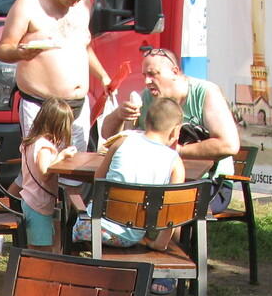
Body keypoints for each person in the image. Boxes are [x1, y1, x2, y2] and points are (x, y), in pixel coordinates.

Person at [100, 47, 240, 207]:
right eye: (145, 75)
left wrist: (175, 151)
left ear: (174, 72)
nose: (147, 81)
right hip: (157, 181)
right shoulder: (146, 97)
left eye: (153, 74)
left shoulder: (206, 94)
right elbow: (108, 135)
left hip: (208, 183)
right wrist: (119, 114)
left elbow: (229, 145)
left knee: (163, 210)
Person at [0, 0, 111, 149]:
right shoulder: (28, 3)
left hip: (77, 107)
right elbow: (3, 49)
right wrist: (20, 53)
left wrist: (103, 76)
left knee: (77, 166)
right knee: (40, 165)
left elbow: (84, 45)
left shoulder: (84, 5)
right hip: (40, 106)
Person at [75, 95, 188, 261]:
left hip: (89, 228)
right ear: (176, 130)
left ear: (145, 121)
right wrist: (160, 244)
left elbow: (99, 180)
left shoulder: (121, 142)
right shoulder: (175, 162)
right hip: (127, 237)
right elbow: (172, 211)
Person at [16, 95, 77, 251]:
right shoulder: (44, 147)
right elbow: (44, 172)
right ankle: (35, 267)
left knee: (38, 245)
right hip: (38, 204)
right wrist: (61, 156)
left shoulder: (31, 142)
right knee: (40, 248)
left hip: (31, 200)